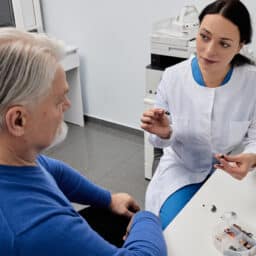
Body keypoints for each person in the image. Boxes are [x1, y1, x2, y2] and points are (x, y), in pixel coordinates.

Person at [0, 27, 167, 256]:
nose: (67, 105)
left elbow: (53, 171)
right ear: (18, 120)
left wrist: (108, 199)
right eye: (59, 100)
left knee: (110, 216)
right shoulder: (33, 227)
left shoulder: (14, 157)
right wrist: (148, 218)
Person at [141, 0, 256, 230]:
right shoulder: (173, 77)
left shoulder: (251, 82)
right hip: (182, 172)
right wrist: (165, 133)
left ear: (240, 45)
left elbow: (254, 136)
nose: (209, 50)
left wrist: (251, 157)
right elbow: (157, 138)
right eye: (204, 37)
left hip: (232, 174)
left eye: (224, 43)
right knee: (176, 230)